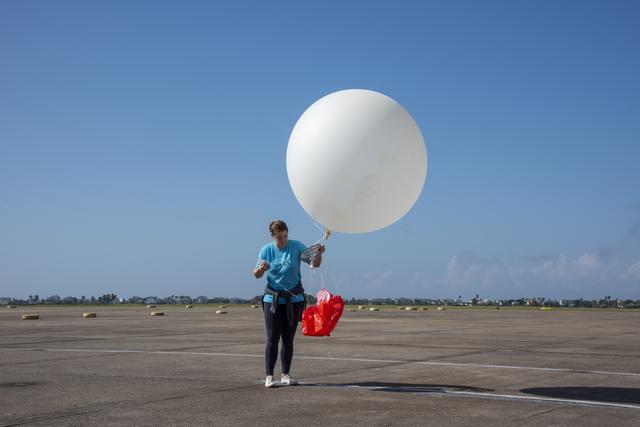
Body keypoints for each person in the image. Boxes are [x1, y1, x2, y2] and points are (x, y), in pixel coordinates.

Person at [253, 220, 324, 388]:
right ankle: (269, 376)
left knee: (288, 338)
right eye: (279, 237)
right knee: (272, 337)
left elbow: (314, 264)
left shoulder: (296, 246)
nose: (283, 240)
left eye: (285, 236)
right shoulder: (267, 250)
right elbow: (255, 274)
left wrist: (319, 253)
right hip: (273, 299)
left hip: (294, 299)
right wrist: (261, 269)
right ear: (273, 236)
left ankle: (285, 374)